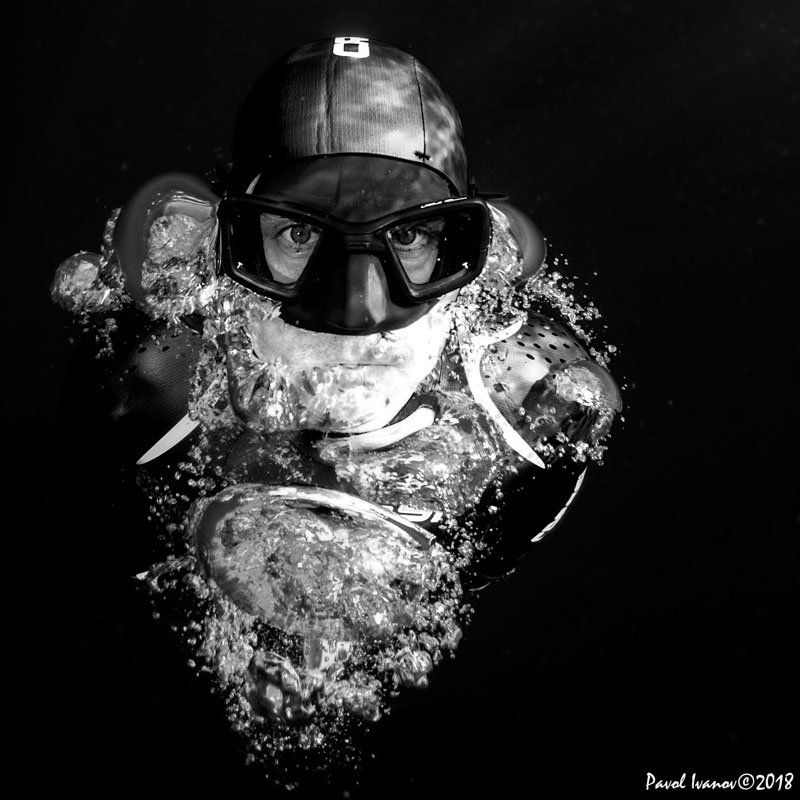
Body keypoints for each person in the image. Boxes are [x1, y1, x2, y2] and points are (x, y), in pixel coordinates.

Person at [52, 37, 621, 729]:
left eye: (410, 238)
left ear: (465, 247)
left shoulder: (538, 400)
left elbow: (487, 556)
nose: (358, 307)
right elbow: (112, 532)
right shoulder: (144, 386)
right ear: (227, 244)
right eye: (296, 235)